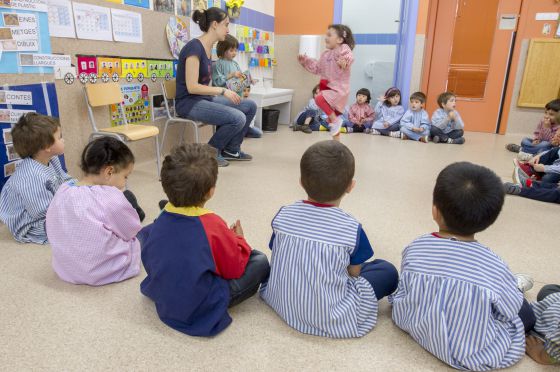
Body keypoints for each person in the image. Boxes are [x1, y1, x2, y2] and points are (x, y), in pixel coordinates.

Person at [390, 162, 536, 370]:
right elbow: (509, 309)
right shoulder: (493, 264)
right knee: (525, 313)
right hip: (473, 353)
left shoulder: (415, 247)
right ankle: (516, 284)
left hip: (416, 325)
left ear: (435, 211)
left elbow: (406, 285)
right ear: (490, 220)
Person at [260, 141, 399, 338]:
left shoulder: (284, 214)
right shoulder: (351, 227)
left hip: (280, 301)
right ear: (351, 187)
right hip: (331, 316)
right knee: (386, 270)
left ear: (301, 181)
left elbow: (278, 251)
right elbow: (354, 273)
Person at [140, 143, 270, 337]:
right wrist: (239, 239)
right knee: (259, 259)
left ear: (165, 186)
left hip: (164, 292)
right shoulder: (212, 224)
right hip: (201, 301)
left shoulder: (158, 221)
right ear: (211, 191)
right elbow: (233, 269)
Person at [46, 137, 143, 286]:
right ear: (109, 172)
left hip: (67, 268)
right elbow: (131, 230)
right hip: (104, 271)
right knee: (145, 236)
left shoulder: (63, 190)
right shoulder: (111, 197)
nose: (125, 182)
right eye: (125, 176)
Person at [175, 7, 256, 167]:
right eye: (226, 24)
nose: (228, 29)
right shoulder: (194, 48)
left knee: (249, 106)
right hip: (188, 103)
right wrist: (223, 91)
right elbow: (192, 87)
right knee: (237, 118)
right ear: (214, 24)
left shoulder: (208, 49)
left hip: (205, 100)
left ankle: (231, 150)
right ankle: (209, 153)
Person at [0, 113, 72, 244]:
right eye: (59, 137)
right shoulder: (31, 177)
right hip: (33, 223)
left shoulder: (52, 158)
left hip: (52, 205)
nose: (63, 140)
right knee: (76, 226)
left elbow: (65, 179)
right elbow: (41, 212)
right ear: (46, 147)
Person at [298, 24, 355, 138]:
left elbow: (349, 55)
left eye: (329, 35)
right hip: (327, 86)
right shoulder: (325, 55)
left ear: (340, 39)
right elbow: (317, 68)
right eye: (326, 35)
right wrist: (306, 61)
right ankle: (336, 144)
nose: (326, 37)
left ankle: (336, 122)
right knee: (332, 121)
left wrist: (345, 61)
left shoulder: (342, 49)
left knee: (319, 99)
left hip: (338, 88)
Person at [526, 284, 560, 365]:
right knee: (548, 289)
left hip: (547, 321)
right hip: (555, 304)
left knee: (523, 315)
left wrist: (542, 355)